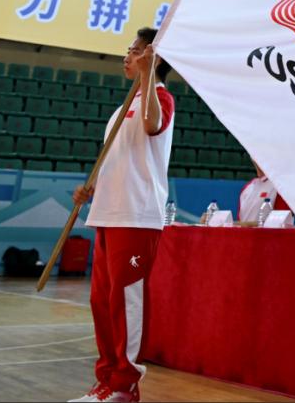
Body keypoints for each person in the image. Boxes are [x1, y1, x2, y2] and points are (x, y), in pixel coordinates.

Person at [70, 28, 175, 403]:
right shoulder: (120, 108)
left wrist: (148, 75)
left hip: (136, 216)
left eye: (134, 51)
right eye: (127, 51)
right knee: (101, 301)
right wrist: (91, 188)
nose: (126, 57)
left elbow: (150, 126)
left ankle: (125, 386)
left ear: (154, 56)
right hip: (108, 215)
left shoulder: (161, 98)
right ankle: (106, 381)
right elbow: (117, 163)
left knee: (125, 300)